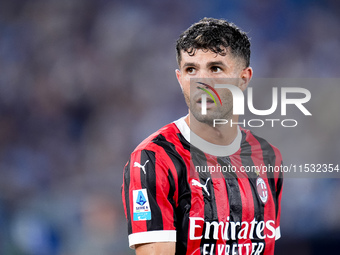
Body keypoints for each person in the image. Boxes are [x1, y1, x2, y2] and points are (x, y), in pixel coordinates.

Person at [122, 17, 283, 255]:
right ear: (180, 79)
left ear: (244, 78)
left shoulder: (268, 157)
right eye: (191, 69)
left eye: (215, 68)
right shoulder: (154, 159)